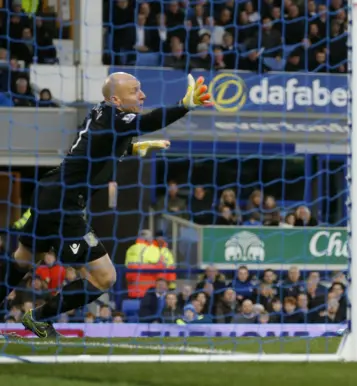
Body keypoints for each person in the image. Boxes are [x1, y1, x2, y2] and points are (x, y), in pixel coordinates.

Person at [0, 72, 212, 338]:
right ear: (115, 98)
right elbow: (146, 122)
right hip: (64, 205)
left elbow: (99, 147)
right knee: (105, 277)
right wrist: (184, 106)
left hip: (50, 194)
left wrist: (134, 149)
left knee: (22, 261)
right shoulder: (115, 117)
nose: (143, 95)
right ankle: (39, 317)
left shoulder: (102, 114)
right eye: (135, 90)